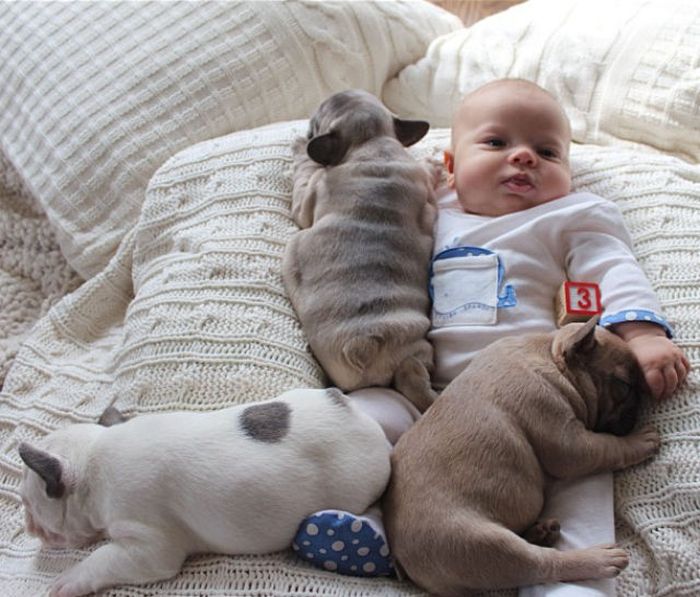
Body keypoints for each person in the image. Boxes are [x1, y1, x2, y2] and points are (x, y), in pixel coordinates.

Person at [292, 79, 690, 594]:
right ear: (451, 168)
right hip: (430, 397)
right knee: (366, 417)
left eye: (547, 152)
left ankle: (572, 585)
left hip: (548, 398)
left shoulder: (568, 215)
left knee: (581, 483)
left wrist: (641, 334)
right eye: (497, 143)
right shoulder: (433, 211)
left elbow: (611, 268)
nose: (523, 157)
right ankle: (368, 521)